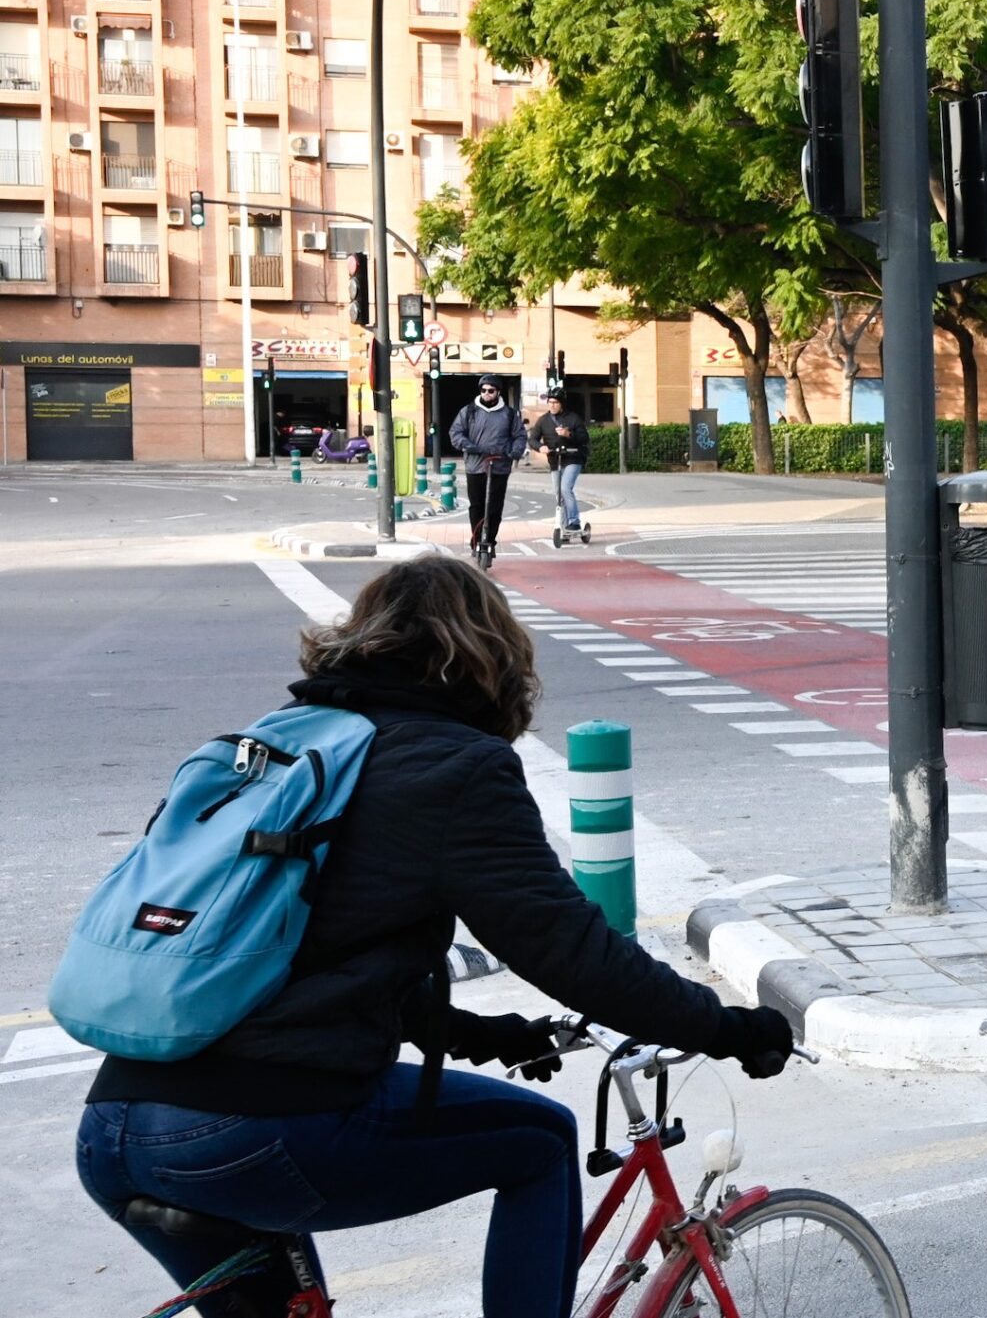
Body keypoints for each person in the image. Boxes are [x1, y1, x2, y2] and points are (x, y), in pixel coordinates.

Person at [75, 556, 797, 1318]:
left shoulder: (291, 742)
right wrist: (727, 1028)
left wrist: (483, 1034)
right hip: (255, 1126)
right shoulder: (457, 767)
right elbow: (572, 952)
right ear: (491, 657)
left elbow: (303, 954)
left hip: (117, 1123)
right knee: (544, 1142)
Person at [447, 380, 528, 558]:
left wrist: (515, 451)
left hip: (500, 465)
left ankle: (489, 541)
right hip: (475, 466)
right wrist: (469, 446)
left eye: (491, 391)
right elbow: (455, 433)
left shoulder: (509, 414)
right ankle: (476, 541)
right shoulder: (469, 411)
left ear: (498, 392)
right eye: (483, 390)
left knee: (495, 507)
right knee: (476, 506)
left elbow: (520, 436)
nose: (486, 394)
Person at [528, 390, 591, 536]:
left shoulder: (573, 418)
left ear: (562, 403)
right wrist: (540, 447)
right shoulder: (543, 420)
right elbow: (532, 439)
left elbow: (584, 438)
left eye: (556, 402)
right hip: (555, 460)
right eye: (550, 402)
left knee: (565, 488)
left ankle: (574, 521)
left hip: (573, 458)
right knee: (558, 494)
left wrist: (568, 434)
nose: (552, 405)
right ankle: (563, 526)